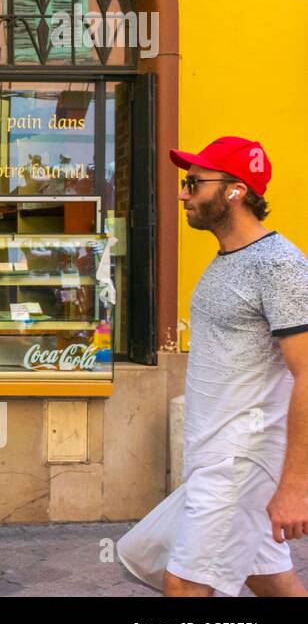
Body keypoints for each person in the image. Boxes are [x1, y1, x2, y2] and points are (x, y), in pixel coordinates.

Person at [117, 136, 308, 597]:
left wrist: (295, 486)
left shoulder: (280, 266)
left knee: (184, 582)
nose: (183, 193)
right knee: (270, 580)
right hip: (215, 456)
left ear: (236, 191)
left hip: (240, 460)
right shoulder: (226, 260)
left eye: (195, 183)